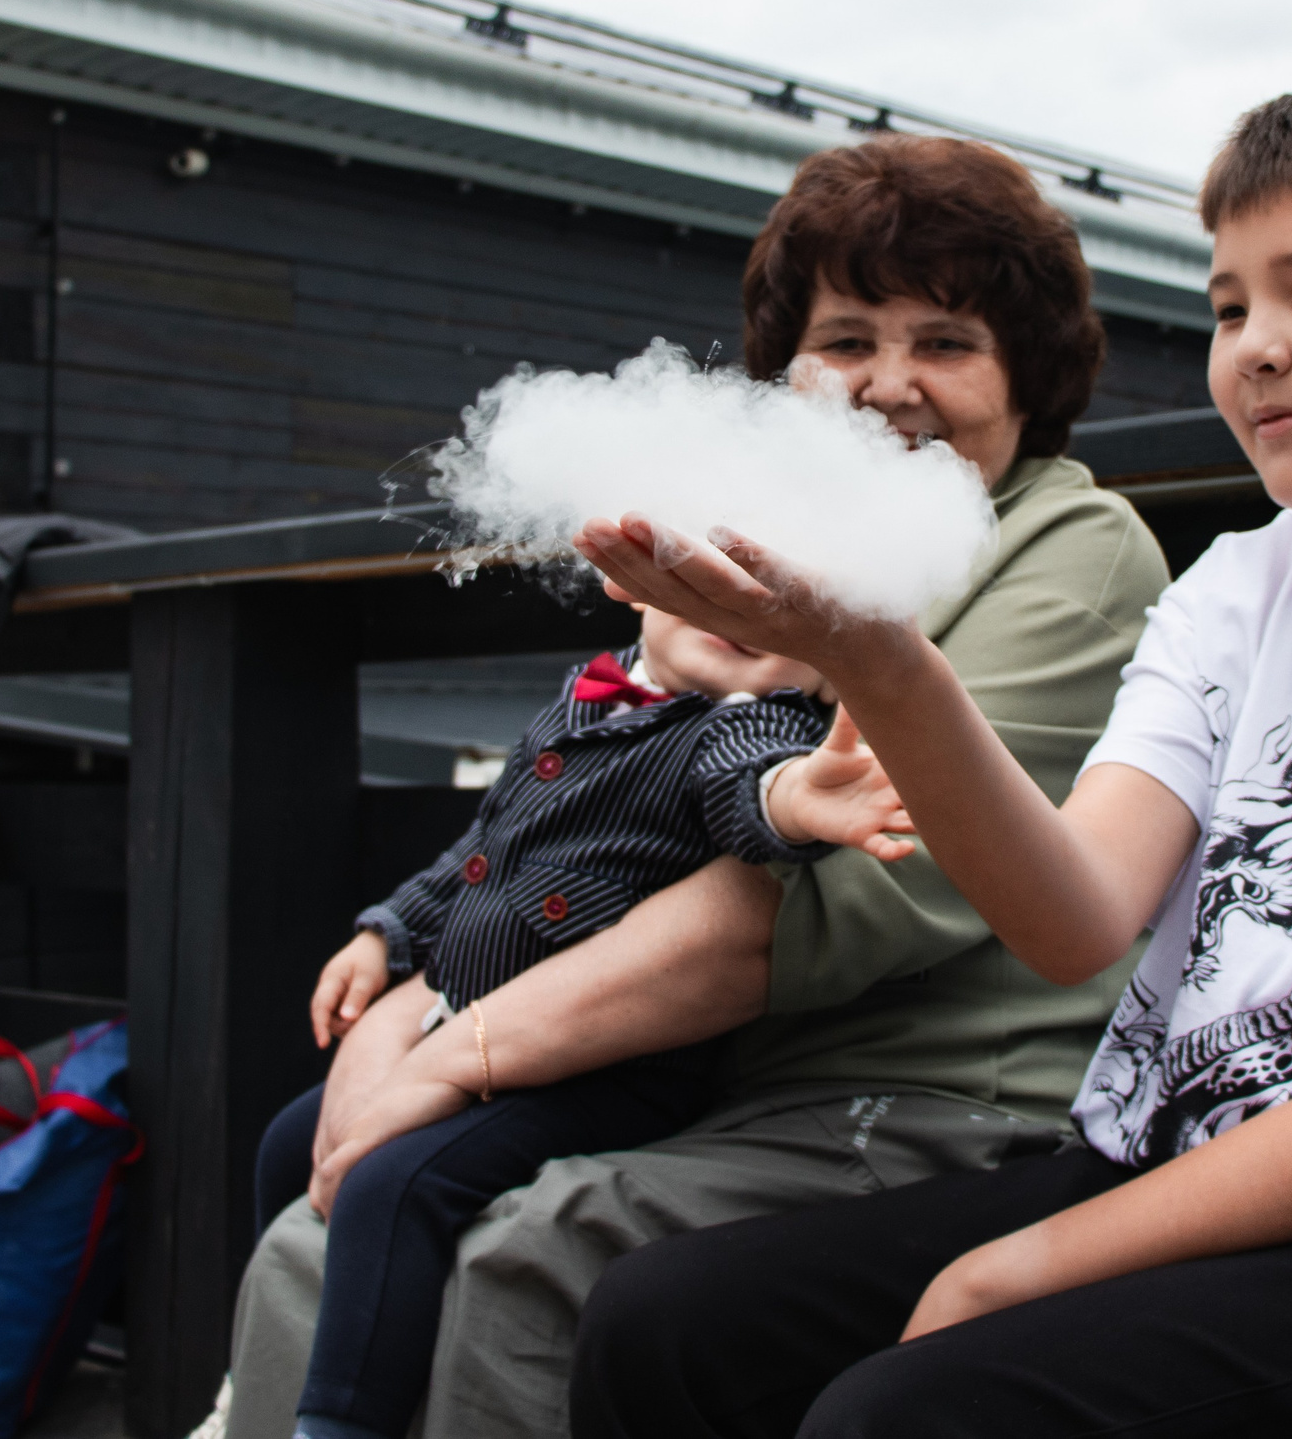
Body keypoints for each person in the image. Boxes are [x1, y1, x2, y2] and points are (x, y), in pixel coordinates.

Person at [566, 82, 1292, 1437]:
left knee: (914, 1414)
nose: (1257, 348)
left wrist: (1018, 1266)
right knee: (667, 1324)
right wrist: (880, 659)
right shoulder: (1236, 590)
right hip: (1174, 1169)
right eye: (1230, 308)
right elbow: (1073, 917)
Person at [219, 136, 1173, 1439]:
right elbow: (584, 818)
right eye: (845, 340)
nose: (890, 384)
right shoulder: (767, 537)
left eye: (947, 341)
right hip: (694, 1078)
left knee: (516, 1257)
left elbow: (842, 899)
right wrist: (411, 988)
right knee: (314, 1240)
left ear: (1028, 373)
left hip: (929, 1104)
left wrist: (454, 1050)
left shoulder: (1068, 545)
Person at [252, 604, 912, 1439]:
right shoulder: (584, 697)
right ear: (637, 588)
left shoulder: (745, 723)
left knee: (398, 1182)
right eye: (712, 579)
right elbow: (481, 849)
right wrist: (387, 933)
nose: (743, 611)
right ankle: (265, 1367)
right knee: (288, 1141)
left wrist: (798, 797)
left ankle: (343, 1420)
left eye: (784, 605)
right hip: (466, 1025)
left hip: (597, 1069)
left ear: (821, 668)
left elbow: (751, 783)